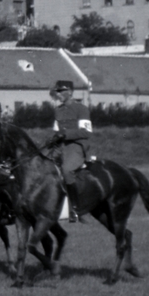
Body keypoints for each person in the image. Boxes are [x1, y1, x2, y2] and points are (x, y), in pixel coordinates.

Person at [45, 79, 93, 222]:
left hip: (76, 146)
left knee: (66, 170)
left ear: (70, 92)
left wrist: (65, 134)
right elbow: (56, 132)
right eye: (57, 91)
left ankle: (77, 209)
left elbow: (86, 132)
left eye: (61, 91)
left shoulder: (81, 109)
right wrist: (52, 140)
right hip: (60, 147)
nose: (58, 94)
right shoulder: (57, 111)